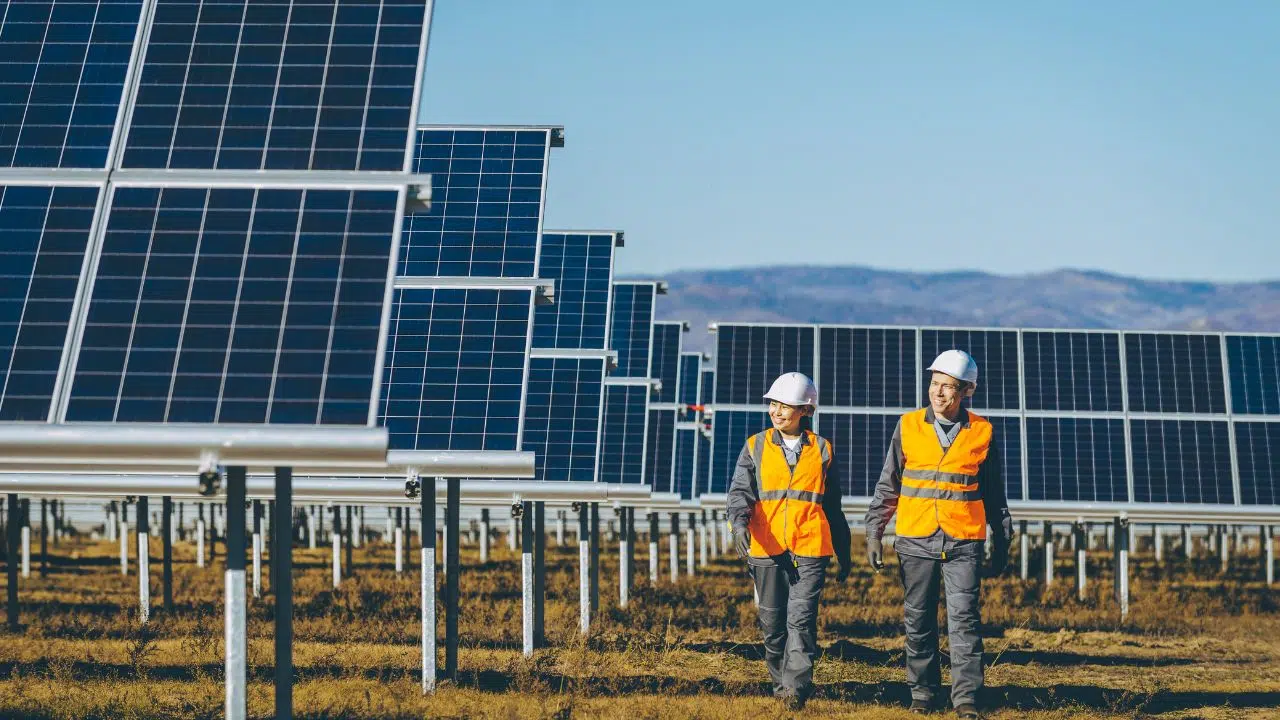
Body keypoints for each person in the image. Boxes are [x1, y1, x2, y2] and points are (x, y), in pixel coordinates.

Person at [864, 350, 1013, 719]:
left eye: (948, 387)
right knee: (918, 620)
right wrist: (873, 532)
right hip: (915, 538)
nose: (939, 393)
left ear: (966, 391)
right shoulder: (908, 425)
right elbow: (889, 485)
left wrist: (1004, 538)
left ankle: (965, 699)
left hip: (964, 539)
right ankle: (923, 694)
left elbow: (994, 492)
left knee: (965, 621)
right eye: (934, 384)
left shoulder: (983, 431)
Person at [726, 372, 852, 711]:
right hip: (767, 548)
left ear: (805, 410)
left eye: (786, 406)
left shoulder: (823, 450)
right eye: (773, 404)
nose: (777, 412)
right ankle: (780, 683)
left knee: (801, 619)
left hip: (810, 548)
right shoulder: (755, 445)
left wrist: (844, 549)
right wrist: (739, 525)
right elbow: (740, 492)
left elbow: (833, 504)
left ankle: (795, 689)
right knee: (772, 623)